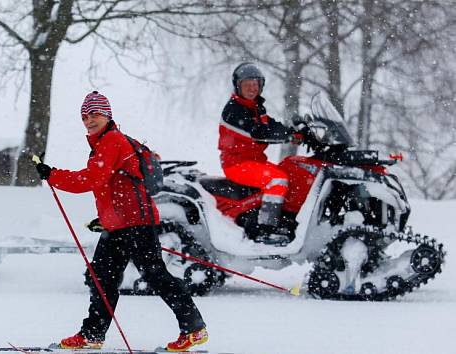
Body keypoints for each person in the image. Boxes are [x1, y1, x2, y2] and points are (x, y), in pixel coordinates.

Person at [35, 91, 208, 352]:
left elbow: (91, 179)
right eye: (85, 116)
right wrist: (103, 218)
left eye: (95, 114)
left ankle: (194, 328)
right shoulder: (105, 142)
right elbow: (112, 186)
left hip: (135, 223)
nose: (89, 120)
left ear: (107, 115)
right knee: (102, 278)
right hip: (118, 225)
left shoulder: (112, 141)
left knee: (155, 275)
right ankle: (92, 334)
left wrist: (53, 175)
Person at [218, 62, 297, 244]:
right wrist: (287, 136)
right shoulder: (234, 110)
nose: (252, 89)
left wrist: (298, 132)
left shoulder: (255, 108)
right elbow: (258, 132)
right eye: (247, 85)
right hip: (236, 165)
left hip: (254, 162)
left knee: (291, 173)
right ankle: (266, 230)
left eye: (255, 84)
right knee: (277, 180)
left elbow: (271, 125)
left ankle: (287, 223)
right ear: (238, 86)